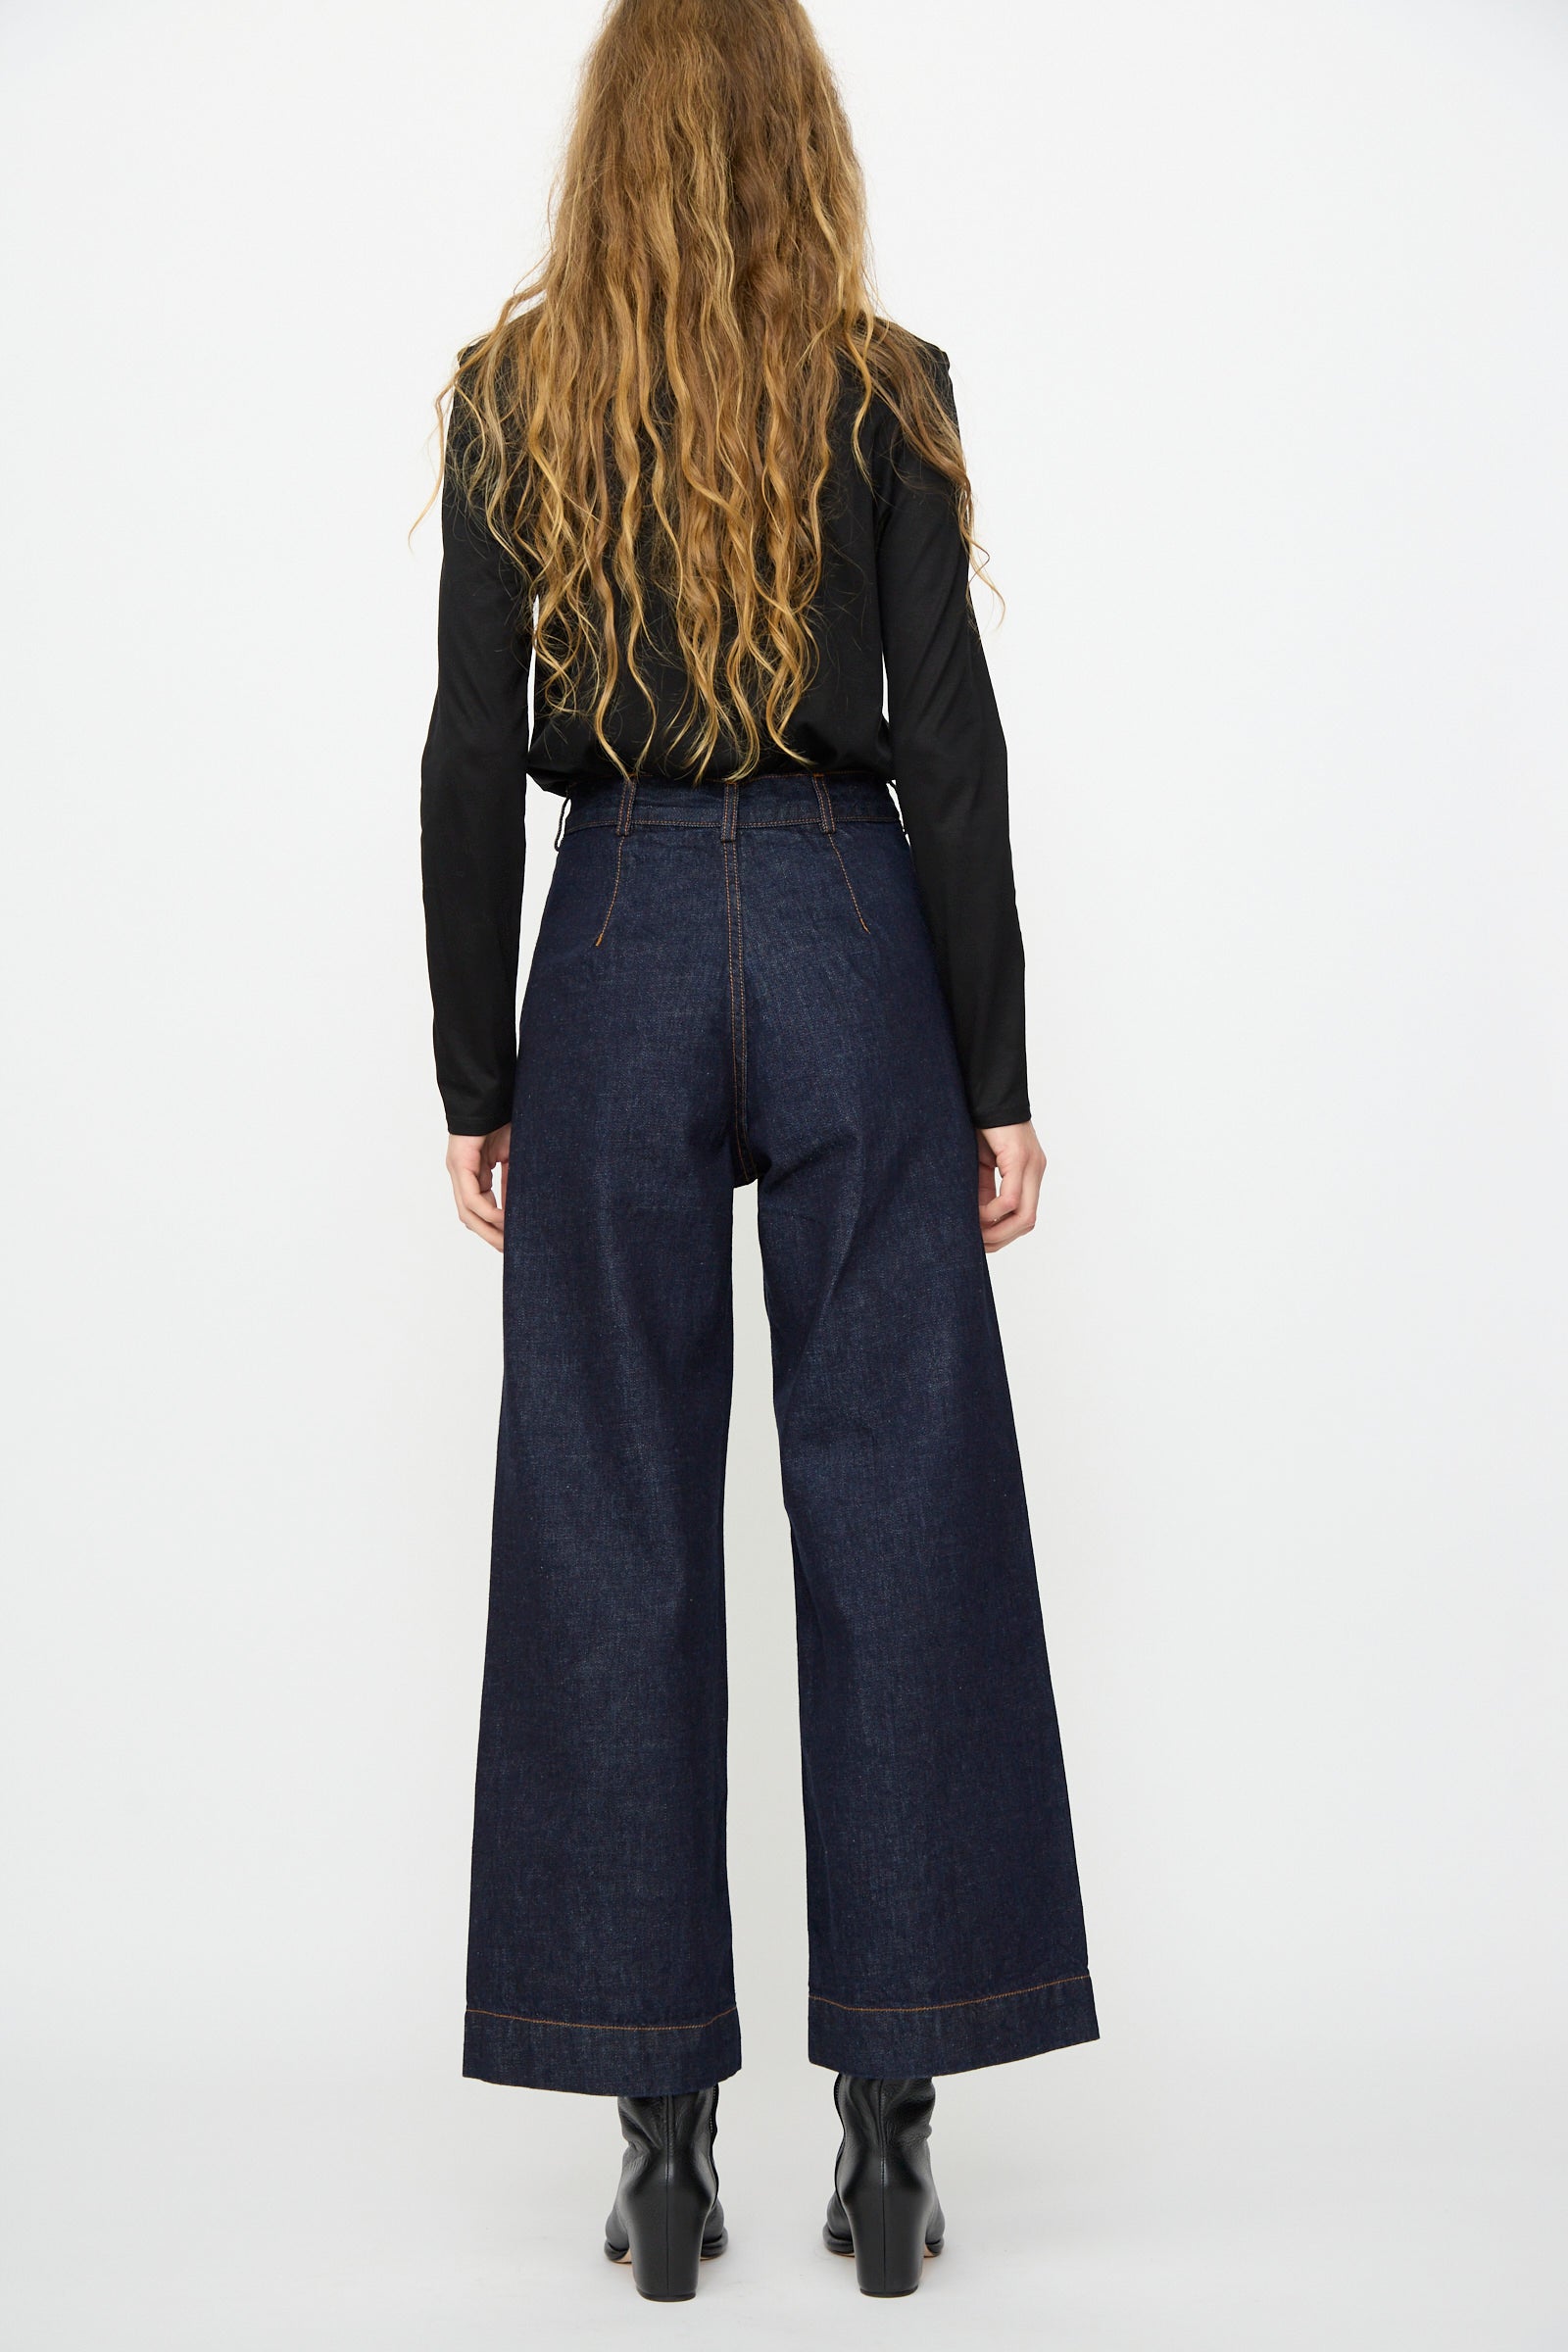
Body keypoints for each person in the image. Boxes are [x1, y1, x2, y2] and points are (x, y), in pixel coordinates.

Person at [419, 0, 1097, 2303]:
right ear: (801, 135)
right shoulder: (880, 382)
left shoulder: (520, 393)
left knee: (608, 1506)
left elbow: (455, 748)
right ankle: (891, 2143)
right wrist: (989, 1065)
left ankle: (660, 2145)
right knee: (895, 1494)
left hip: (603, 931)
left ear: (607, 142)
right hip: (840, 913)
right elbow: (953, 743)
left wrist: (473, 1074)